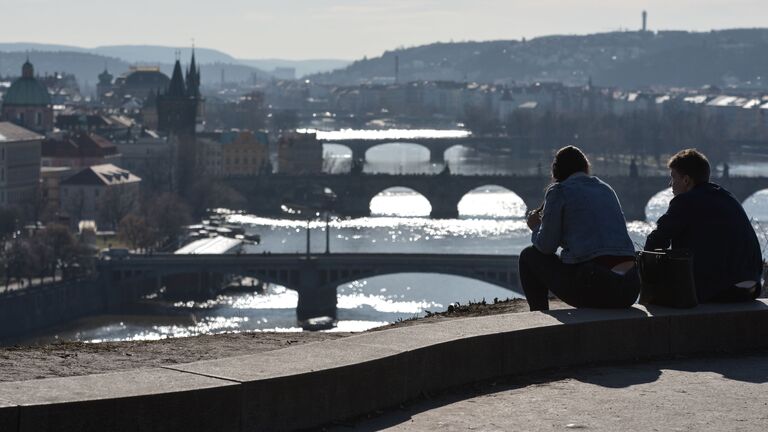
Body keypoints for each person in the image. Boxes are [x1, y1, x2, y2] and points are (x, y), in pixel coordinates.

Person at [519, 146, 640, 311]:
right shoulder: (606, 189)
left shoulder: (559, 191)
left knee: (529, 256)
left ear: (556, 172)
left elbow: (546, 247)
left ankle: (539, 317)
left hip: (595, 286)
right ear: (586, 167)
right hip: (630, 288)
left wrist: (535, 226)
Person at [645, 149, 762, 302]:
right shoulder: (727, 197)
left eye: (673, 177)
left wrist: (645, 269)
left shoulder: (685, 202)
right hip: (751, 287)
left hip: (721, 289)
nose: (670, 184)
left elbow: (657, 239)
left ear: (686, 180)